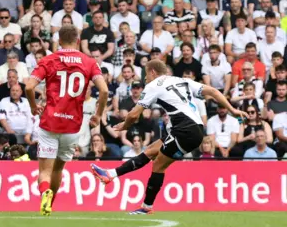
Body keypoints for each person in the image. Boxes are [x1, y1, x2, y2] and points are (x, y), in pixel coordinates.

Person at [90, 59, 248, 214]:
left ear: (153, 72)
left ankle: (146, 207)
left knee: (159, 164)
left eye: (146, 76)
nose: (145, 79)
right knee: (151, 150)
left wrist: (125, 125)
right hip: (192, 129)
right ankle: (110, 174)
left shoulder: (153, 85)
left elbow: (133, 114)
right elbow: (213, 91)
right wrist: (233, 110)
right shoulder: (183, 81)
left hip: (184, 130)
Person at [25, 25, 109, 216]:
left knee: (45, 170)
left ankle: (44, 194)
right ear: (78, 41)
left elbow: (29, 87)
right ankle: (50, 204)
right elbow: (104, 90)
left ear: (59, 41)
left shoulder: (49, 59)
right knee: (58, 169)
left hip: (50, 123)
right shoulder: (89, 62)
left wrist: (32, 106)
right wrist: (97, 114)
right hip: (72, 126)